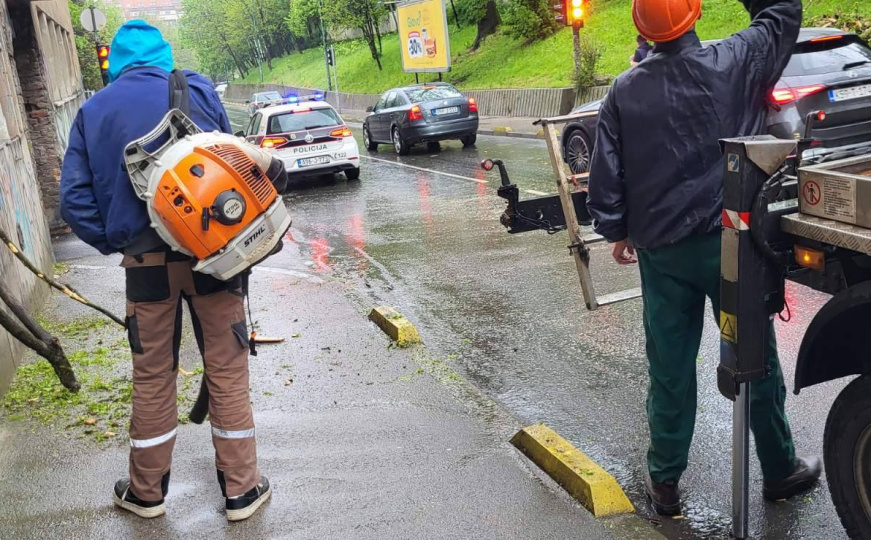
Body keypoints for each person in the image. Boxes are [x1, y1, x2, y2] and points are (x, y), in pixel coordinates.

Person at [587, 0, 821, 516]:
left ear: (640, 28)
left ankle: (665, 482)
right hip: (731, 243)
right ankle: (780, 469)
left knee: (670, 366)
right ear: (693, 15)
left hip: (663, 253)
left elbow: (606, 173)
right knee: (752, 357)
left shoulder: (624, 91)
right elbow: (781, 13)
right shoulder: (734, 59)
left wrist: (617, 229)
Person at [60, 21, 284, 521]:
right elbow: (233, 165)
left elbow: (73, 202)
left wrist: (121, 242)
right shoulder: (196, 88)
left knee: (153, 375)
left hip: (146, 269)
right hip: (213, 257)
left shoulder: (93, 111)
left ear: (114, 62)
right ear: (163, 55)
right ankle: (242, 492)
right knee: (227, 369)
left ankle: (146, 494)